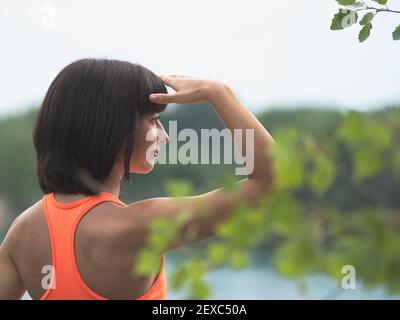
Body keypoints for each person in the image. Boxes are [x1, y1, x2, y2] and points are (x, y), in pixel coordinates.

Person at [0, 58, 274, 299]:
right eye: (154, 120)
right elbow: (272, 183)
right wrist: (220, 94)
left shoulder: (23, 231)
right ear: (115, 130)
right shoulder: (140, 226)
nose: (164, 137)